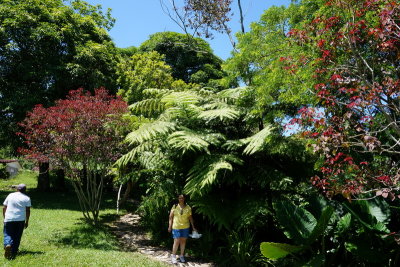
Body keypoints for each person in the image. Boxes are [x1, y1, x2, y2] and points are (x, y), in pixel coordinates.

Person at [3, 184, 31, 259]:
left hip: (9, 218)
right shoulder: (27, 198)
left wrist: (4, 217)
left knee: (8, 233)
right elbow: (28, 211)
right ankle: (14, 251)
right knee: (17, 236)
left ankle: (7, 244)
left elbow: (4, 207)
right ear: (25, 190)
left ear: (17, 189)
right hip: (20, 220)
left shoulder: (10, 195)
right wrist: (27, 221)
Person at [168, 194, 197, 264]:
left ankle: (181, 256)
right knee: (176, 241)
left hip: (185, 227)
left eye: (182, 198)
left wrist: (193, 227)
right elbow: (170, 217)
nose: (181, 199)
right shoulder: (174, 206)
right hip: (176, 227)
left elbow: (190, 218)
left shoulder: (188, 207)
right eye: (180, 198)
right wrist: (169, 226)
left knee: (183, 241)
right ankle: (173, 256)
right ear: (178, 199)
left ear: (184, 199)